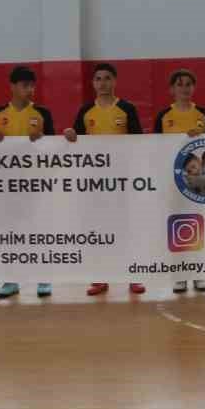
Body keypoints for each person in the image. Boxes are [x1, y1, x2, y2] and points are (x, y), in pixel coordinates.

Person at [67, 62, 146, 297]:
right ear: (93, 83)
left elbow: (139, 143)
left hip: (122, 181)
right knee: (97, 228)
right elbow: (75, 141)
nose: (103, 83)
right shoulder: (85, 111)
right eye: (98, 79)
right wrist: (70, 135)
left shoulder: (127, 109)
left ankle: (134, 275)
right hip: (95, 183)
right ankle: (99, 277)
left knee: (126, 227)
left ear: (115, 81)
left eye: (107, 78)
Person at [0, 65, 56, 297]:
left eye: (32, 85)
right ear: (13, 87)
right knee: (11, 233)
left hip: (36, 183)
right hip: (7, 185)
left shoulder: (42, 113)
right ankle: (11, 280)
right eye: (24, 85)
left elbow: (53, 147)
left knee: (39, 231)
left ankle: (44, 279)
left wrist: (44, 140)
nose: (29, 89)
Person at [156, 68, 205, 293]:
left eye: (188, 84)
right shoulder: (164, 116)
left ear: (194, 87)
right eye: (179, 84)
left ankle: (198, 273)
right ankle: (179, 274)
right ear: (171, 89)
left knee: (197, 225)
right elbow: (155, 148)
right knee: (177, 226)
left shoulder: (203, 115)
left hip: (199, 183)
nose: (184, 88)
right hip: (173, 181)